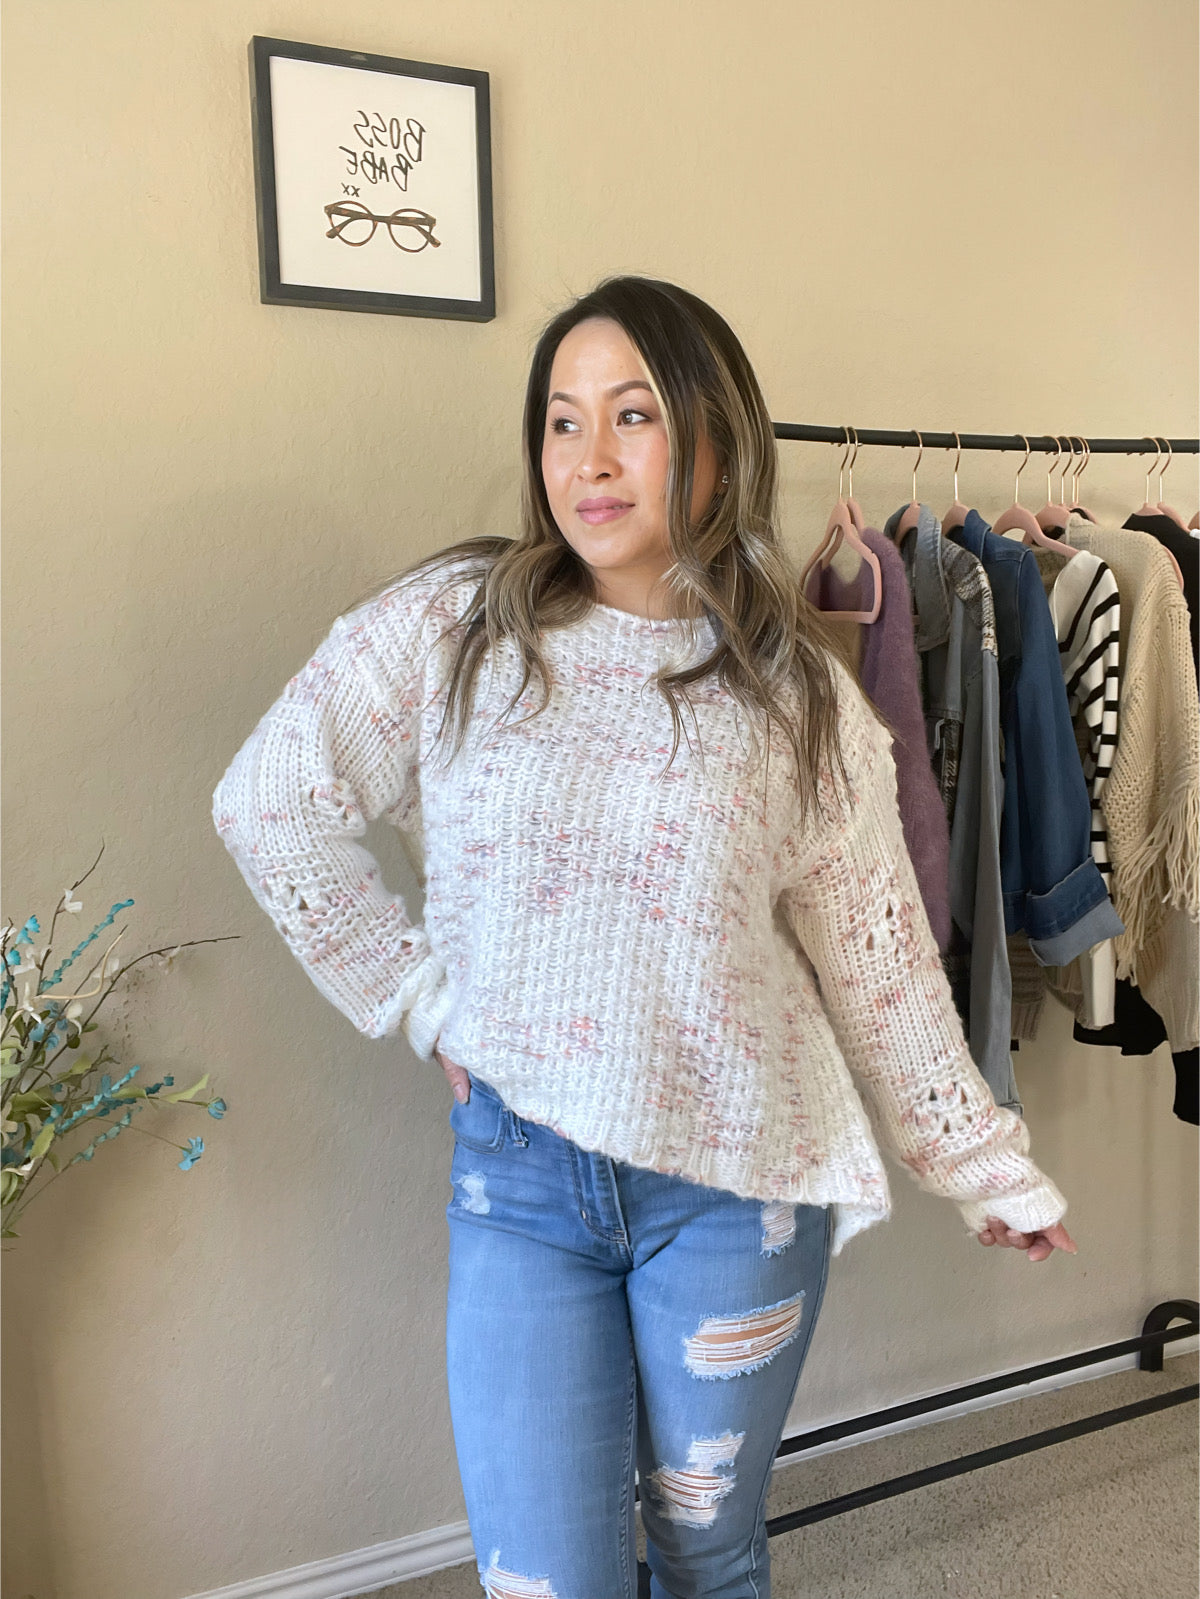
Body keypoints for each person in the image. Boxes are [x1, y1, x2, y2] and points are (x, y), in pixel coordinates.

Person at [212, 275, 1077, 1599]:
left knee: (706, 1550)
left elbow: (879, 956)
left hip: (739, 1188)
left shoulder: (795, 694)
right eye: (562, 422)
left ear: (718, 443)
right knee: (546, 1577)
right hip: (523, 1187)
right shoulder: (459, 628)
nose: (590, 458)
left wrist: (983, 1166)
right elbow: (270, 803)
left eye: (632, 415)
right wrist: (422, 1001)